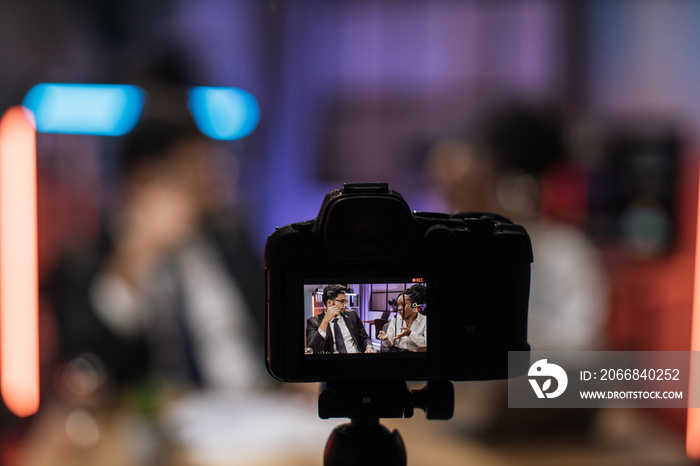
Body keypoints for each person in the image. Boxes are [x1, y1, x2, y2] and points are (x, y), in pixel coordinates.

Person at [50, 91, 265, 391]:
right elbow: (88, 367)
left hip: (262, 406)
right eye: (187, 173)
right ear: (141, 180)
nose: (206, 184)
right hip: (162, 423)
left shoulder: (230, 240)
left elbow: (274, 320)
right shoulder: (84, 261)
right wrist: (134, 259)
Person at [306, 284, 376, 354]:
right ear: (329, 303)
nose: (345, 305)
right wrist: (325, 321)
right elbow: (313, 349)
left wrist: (369, 347)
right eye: (342, 301)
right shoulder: (313, 322)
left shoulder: (352, 314)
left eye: (346, 301)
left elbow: (364, 337)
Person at [378, 284, 427, 352]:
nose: (399, 308)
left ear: (414, 305)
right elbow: (389, 344)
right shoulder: (395, 320)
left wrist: (410, 333)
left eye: (403, 304)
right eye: (398, 305)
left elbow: (425, 343)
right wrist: (386, 339)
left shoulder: (425, 321)